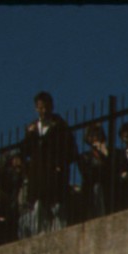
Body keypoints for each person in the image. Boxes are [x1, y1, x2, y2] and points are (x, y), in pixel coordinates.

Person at [19, 91, 77, 236]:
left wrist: (59, 166)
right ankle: (40, 233)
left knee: (56, 207)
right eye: (40, 108)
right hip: (37, 175)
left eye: (45, 107)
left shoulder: (60, 125)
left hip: (54, 174)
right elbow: (24, 151)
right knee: (38, 206)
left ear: (51, 107)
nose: (43, 111)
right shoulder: (32, 128)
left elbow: (70, 149)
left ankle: (58, 233)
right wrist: (30, 135)